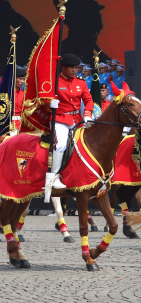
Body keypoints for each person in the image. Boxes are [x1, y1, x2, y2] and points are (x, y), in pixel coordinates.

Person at [46, 53, 94, 196]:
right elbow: (42, 101)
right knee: (61, 144)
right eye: (72, 68)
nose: (75, 70)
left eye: (76, 68)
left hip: (77, 120)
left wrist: (87, 114)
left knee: (85, 145)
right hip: (59, 119)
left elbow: (88, 101)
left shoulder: (81, 82)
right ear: (64, 68)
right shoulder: (54, 82)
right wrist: (49, 104)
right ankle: (54, 176)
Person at [12, 68, 26, 132]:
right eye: (20, 79)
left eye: (24, 79)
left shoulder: (24, 94)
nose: (22, 81)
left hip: (21, 126)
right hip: (10, 126)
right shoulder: (6, 93)